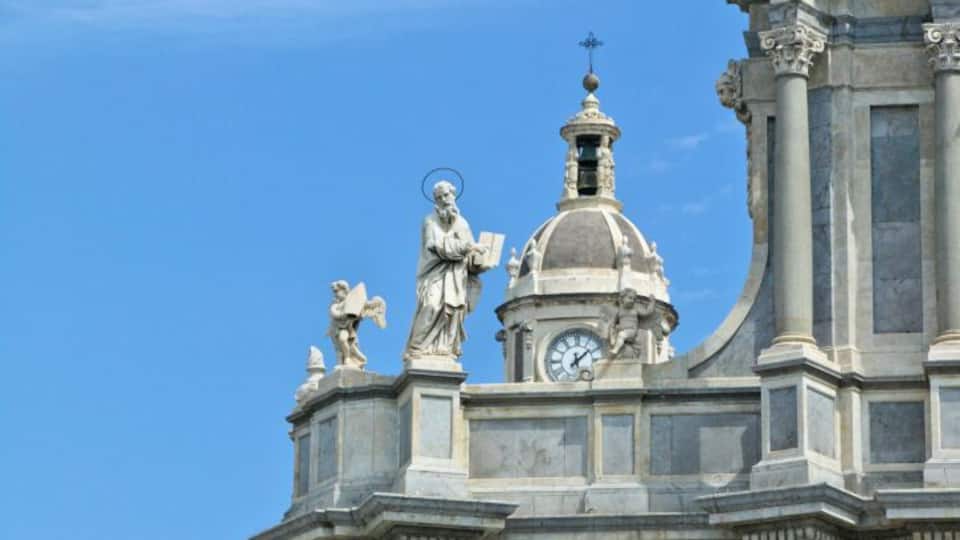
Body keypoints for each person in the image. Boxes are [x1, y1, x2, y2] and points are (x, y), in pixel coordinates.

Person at [404, 180, 486, 360]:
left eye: (446, 195)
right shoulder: (430, 221)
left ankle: (445, 348)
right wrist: (468, 247)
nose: (443, 200)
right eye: (439, 197)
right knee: (431, 306)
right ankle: (416, 348)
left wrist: (480, 261)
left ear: (453, 195)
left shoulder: (462, 223)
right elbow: (435, 246)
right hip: (434, 274)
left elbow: (470, 258)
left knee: (453, 311)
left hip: (456, 277)